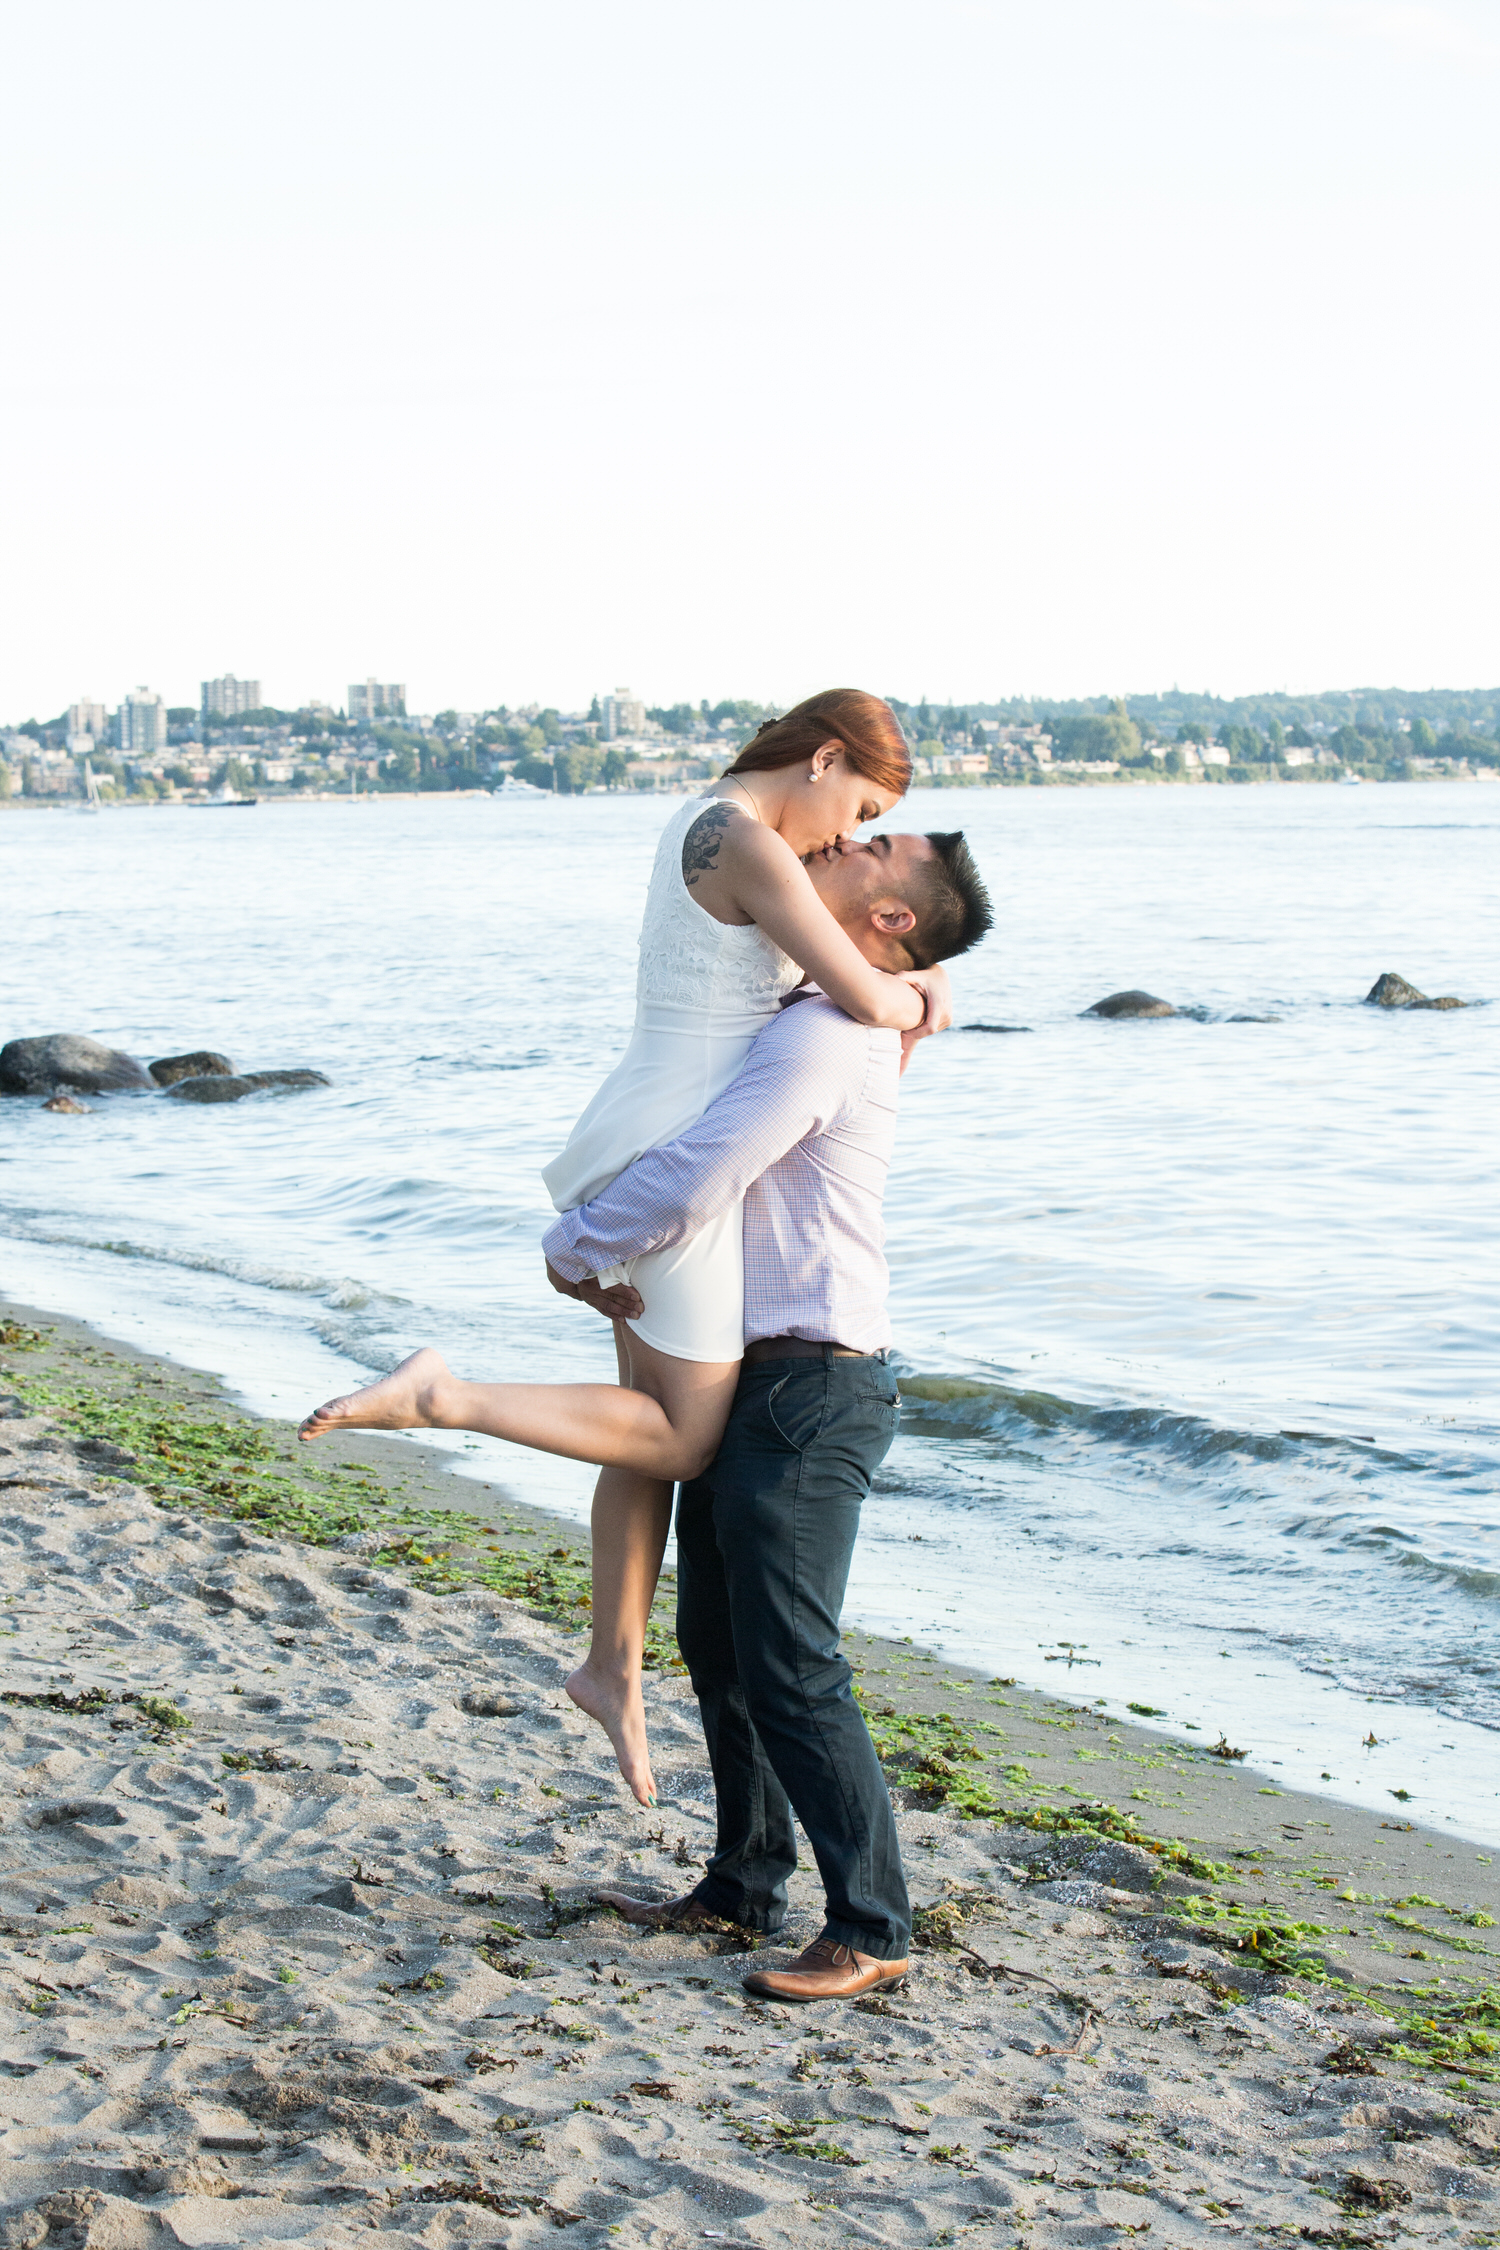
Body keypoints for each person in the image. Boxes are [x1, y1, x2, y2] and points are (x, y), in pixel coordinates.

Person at [300, 691, 950, 1809]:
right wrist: (930, 989)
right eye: (864, 806)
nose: (849, 833)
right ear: (826, 757)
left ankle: (612, 1664)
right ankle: (444, 1397)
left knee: (638, 1427)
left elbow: (820, 976)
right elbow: (856, 991)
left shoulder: (713, 824)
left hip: (645, 1123)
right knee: (688, 1437)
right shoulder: (748, 840)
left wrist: (911, 978)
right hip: (675, 1162)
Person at [542, 830, 993, 2003]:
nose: (840, 840)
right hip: (765, 1374)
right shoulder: (838, 1002)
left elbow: (710, 1163)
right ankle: (743, 1882)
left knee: (793, 1661)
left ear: (892, 918)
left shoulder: (828, 1033)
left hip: (816, 1382)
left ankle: (875, 1924)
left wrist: (578, 1241)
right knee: (724, 1646)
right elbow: (917, 990)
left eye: (873, 846)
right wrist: (931, 989)